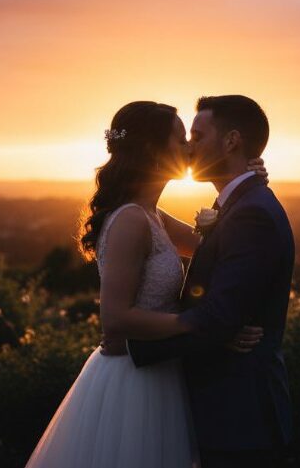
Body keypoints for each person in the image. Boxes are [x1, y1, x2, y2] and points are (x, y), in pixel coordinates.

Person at [23, 100, 269, 468]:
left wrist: (246, 186)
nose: (189, 146)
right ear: (154, 150)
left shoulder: (153, 215)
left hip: (162, 370)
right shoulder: (130, 220)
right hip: (132, 381)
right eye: (181, 138)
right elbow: (115, 318)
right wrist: (209, 327)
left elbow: (213, 248)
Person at [114, 95, 296, 468]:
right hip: (218, 412)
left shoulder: (251, 214)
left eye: (197, 135)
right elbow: (214, 310)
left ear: (230, 141)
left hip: (240, 418)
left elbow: (219, 315)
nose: (189, 146)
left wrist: (136, 348)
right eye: (184, 138)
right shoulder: (231, 208)